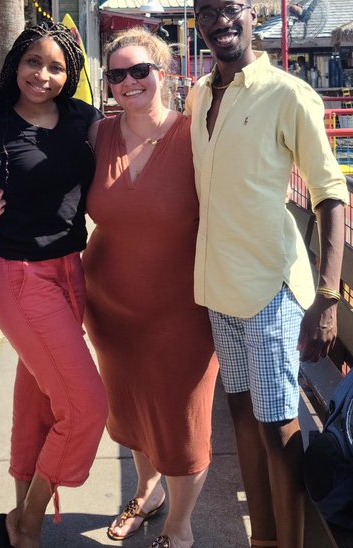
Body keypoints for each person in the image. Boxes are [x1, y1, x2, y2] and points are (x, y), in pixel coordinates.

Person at [187, 0, 349, 548]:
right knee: (243, 418)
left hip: (270, 287)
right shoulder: (200, 95)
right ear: (198, 24)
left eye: (230, 9)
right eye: (207, 12)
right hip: (218, 285)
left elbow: (330, 193)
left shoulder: (288, 94)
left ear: (252, 15)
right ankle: (262, 538)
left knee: (280, 425)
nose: (220, 20)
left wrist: (328, 297)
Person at [0, 22, 106, 548]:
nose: (42, 75)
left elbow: (126, 158)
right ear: (14, 65)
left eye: (56, 67)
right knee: (86, 404)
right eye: (32, 63)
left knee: (41, 399)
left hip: (71, 271)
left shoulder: (83, 119)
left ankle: (20, 514)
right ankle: (26, 526)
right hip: (19, 275)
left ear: (70, 76)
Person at [85, 28, 218, 548]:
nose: (129, 82)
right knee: (132, 407)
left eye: (140, 70)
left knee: (185, 420)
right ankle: (147, 491)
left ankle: (180, 527)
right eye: (117, 75)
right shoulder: (98, 136)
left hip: (183, 308)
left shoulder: (197, 135)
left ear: (163, 73)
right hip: (111, 307)